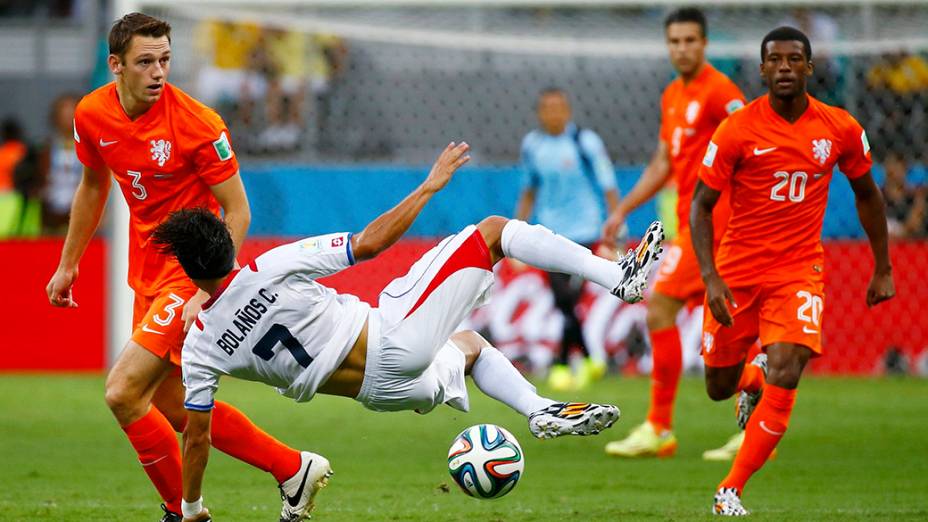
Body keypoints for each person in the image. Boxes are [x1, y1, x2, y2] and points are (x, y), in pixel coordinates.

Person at [151, 142, 664, 522]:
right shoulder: (270, 266)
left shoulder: (199, 343)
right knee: (494, 232)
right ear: (226, 242)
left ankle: (538, 409)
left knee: (471, 347)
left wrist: (191, 508)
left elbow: (198, 435)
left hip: (382, 394)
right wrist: (428, 186)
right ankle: (620, 277)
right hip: (392, 339)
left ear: (190, 270)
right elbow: (369, 244)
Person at [44, 13, 315, 522]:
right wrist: (68, 263)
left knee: (123, 392)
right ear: (116, 65)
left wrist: (208, 289)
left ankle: (181, 512)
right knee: (169, 406)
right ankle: (293, 467)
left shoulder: (198, 123)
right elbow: (93, 185)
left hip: (188, 275)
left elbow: (238, 211)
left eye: (165, 60)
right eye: (145, 61)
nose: (157, 72)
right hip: (145, 269)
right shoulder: (92, 114)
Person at [690, 27, 895, 515]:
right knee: (718, 386)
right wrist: (711, 277)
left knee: (789, 365)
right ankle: (750, 381)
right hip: (736, 274)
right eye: (775, 60)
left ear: (809, 67)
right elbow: (702, 205)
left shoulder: (840, 128)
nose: (784, 67)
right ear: (762, 70)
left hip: (798, 270)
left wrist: (883, 267)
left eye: (794, 59)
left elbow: (868, 194)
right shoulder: (737, 130)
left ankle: (730, 489)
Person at [601, 8, 747, 460]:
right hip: (691, 226)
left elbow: (754, 143)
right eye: (675, 41)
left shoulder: (721, 92)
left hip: (719, 228)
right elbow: (664, 162)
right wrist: (624, 207)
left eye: (689, 41)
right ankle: (749, 424)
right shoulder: (672, 95)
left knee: (662, 308)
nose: (682, 48)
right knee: (726, 329)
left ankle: (662, 427)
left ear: (704, 44)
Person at [516, 87, 621, 391]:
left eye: (559, 107)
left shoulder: (584, 143)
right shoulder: (532, 146)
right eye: (547, 108)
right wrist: (515, 232)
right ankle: (589, 358)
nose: (553, 113)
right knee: (564, 301)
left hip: (585, 232)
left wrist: (614, 230)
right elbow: (528, 190)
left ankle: (563, 363)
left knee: (567, 299)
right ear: (540, 113)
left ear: (568, 111)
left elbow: (609, 186)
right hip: (549, 233)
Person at [39, 93, 83, 234]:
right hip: (51, 212)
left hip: (79, 210)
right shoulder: (46, 147)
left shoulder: (89, 146)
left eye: (71, 112)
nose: (67, 118)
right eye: (63, 114)